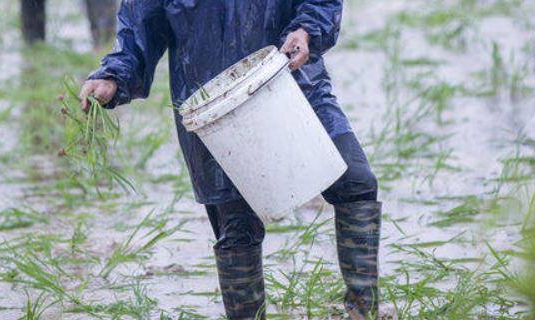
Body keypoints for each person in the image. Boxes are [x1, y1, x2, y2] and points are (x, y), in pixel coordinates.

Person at [79, 1, 381, 319]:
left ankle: (364, 310)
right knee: (237, 229)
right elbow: (139, 29)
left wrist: (306, 29)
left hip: (291, 83)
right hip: (214, 109)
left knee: (356, 181)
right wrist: (112, 76)